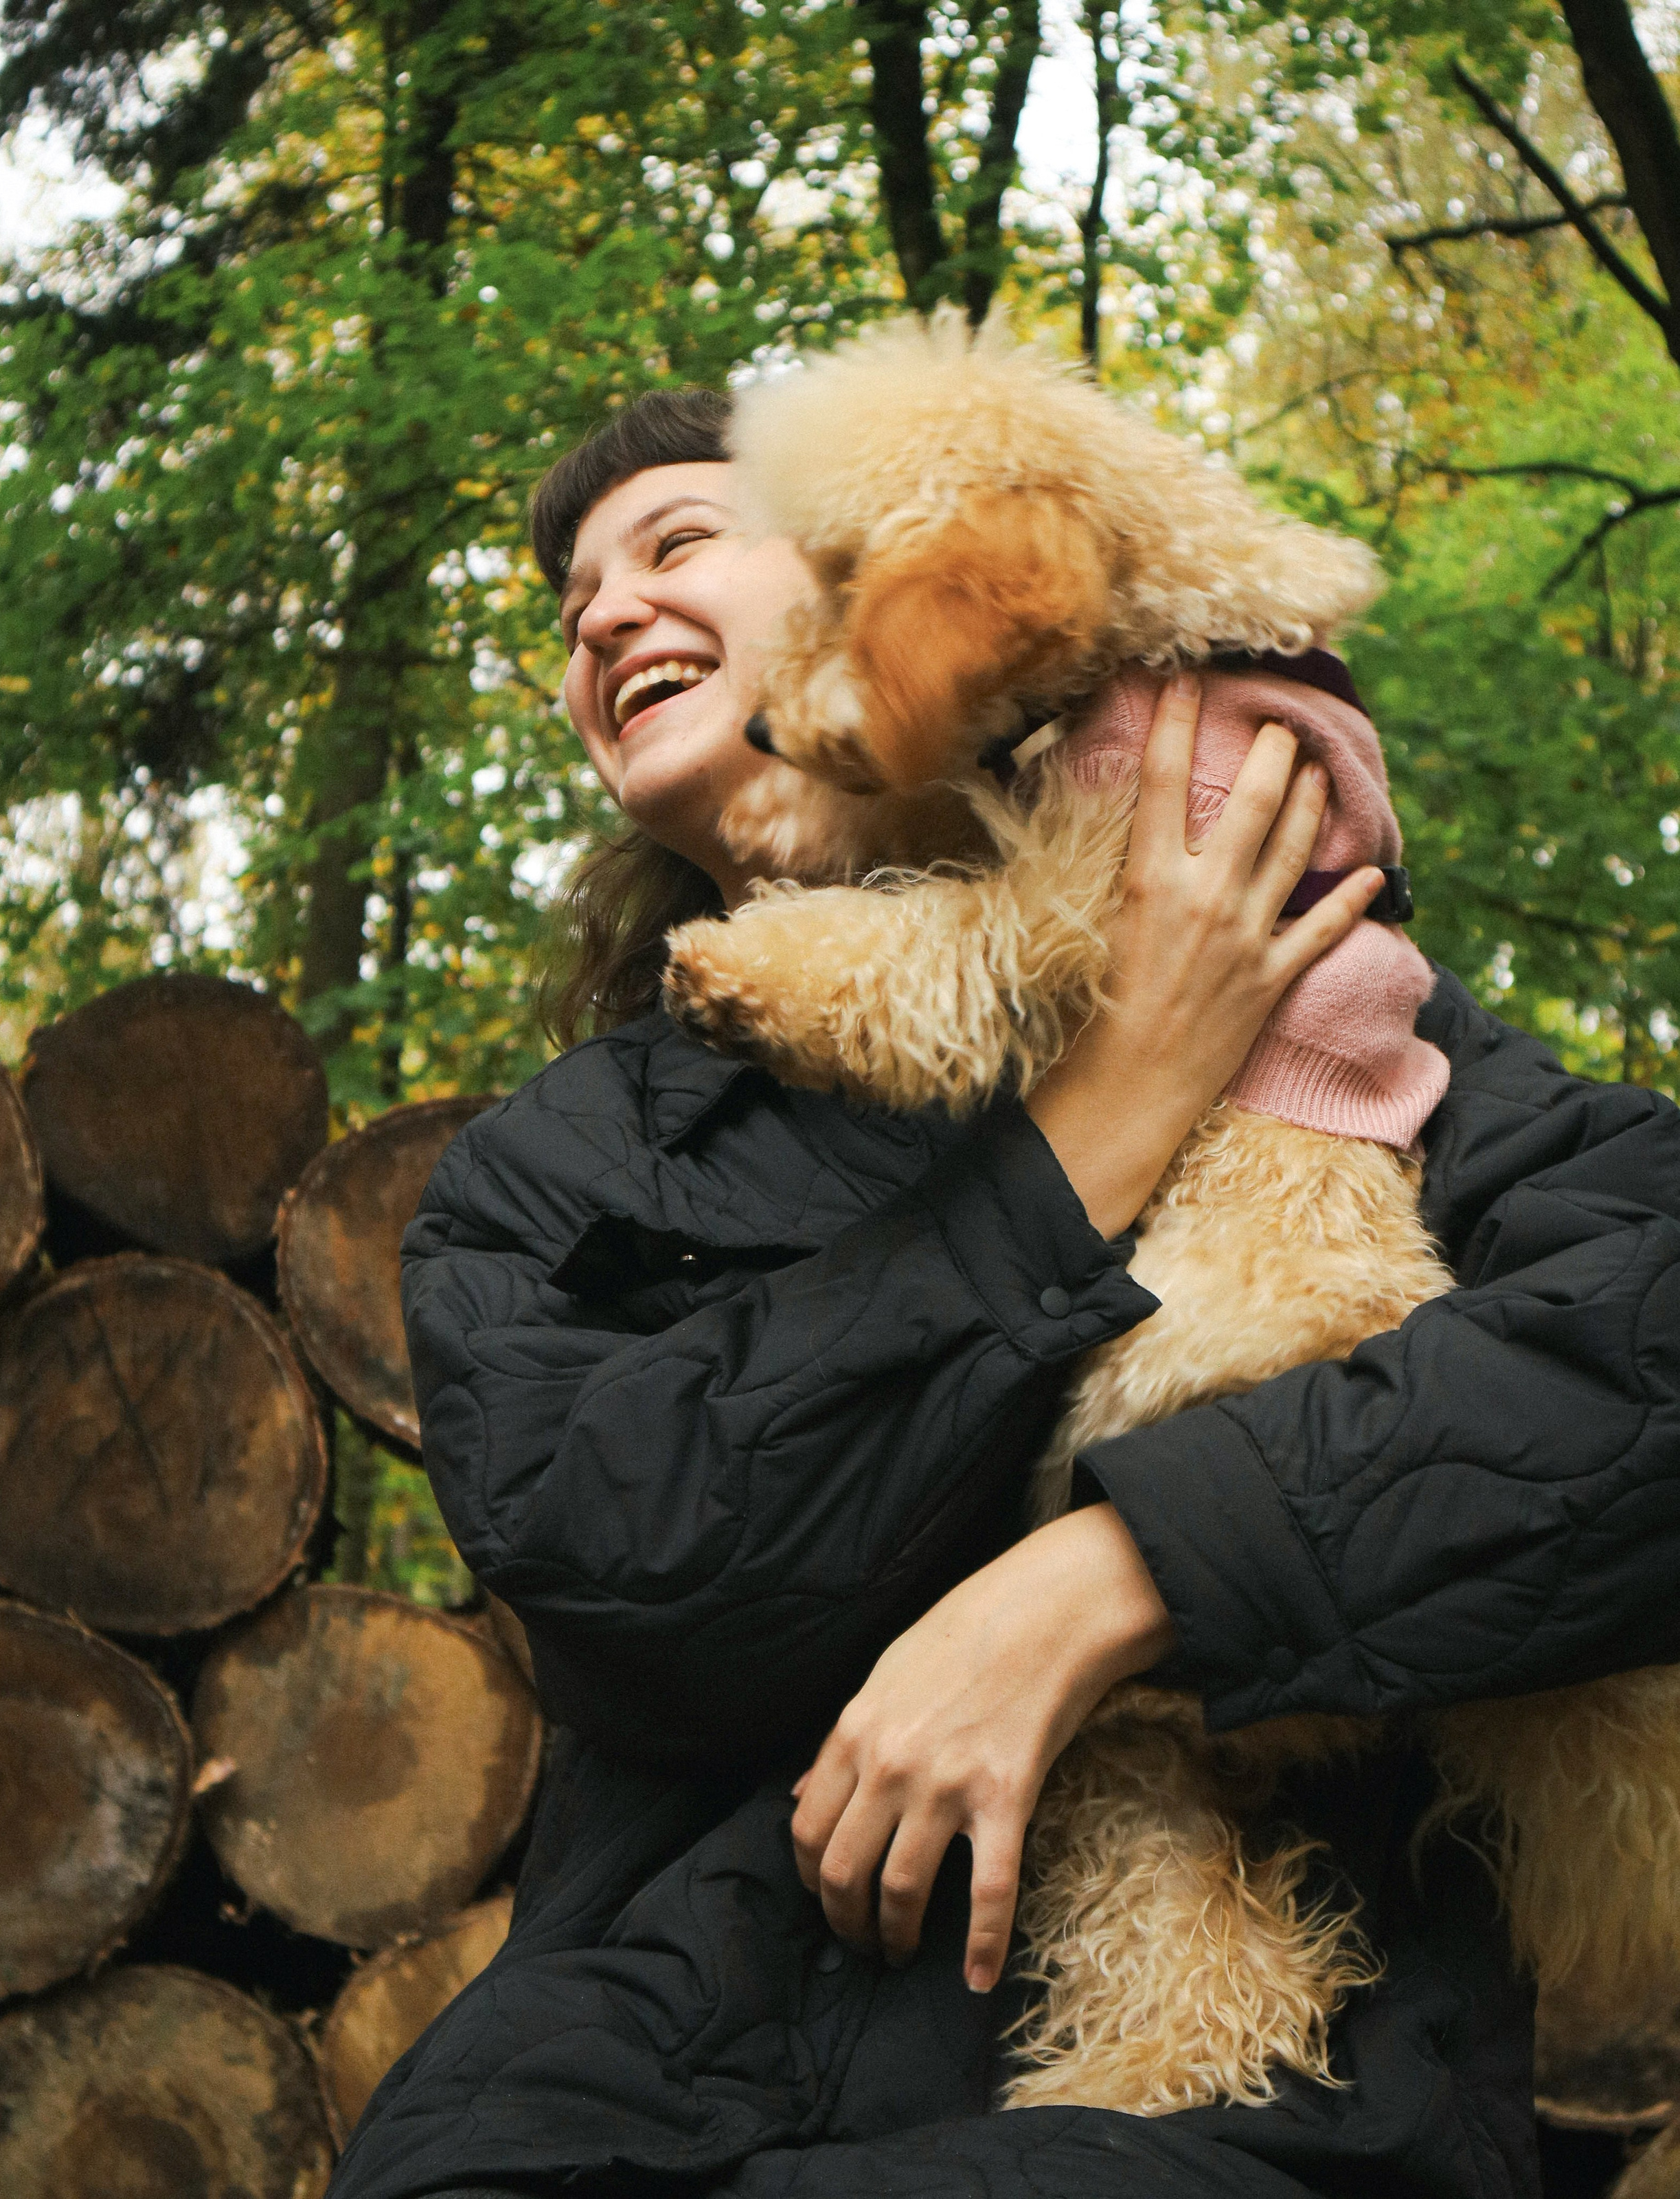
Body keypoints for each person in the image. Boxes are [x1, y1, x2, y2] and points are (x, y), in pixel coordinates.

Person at [328, 390, 1680, 2199]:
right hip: (661, 2077)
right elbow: (636, 1582)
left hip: (1254, 2105)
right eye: (571, 599)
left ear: (886, 579)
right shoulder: (542, 1179)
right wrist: (1102, 1113)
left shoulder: (1341, 1016)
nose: (597, 614)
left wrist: (1119, 1574)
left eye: (671, 543)